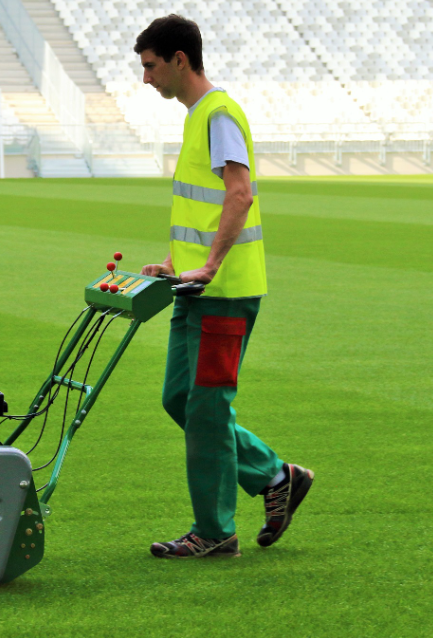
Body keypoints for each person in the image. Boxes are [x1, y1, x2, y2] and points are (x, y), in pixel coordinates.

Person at [135, 15, 314, 558]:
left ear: (179, 60)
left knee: (208, 407)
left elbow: (240, 194)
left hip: (225, 293)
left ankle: (214, 533)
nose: (145, 79)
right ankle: (274, 475)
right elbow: (206, 205)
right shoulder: (198, 117)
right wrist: (176, 261)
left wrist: (209, 265)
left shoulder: (218, 116)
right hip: (196, 291)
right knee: (180, 399)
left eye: (150, 66)